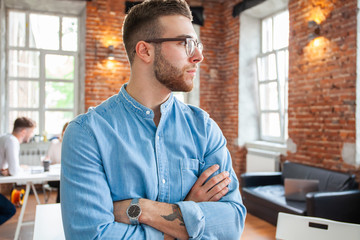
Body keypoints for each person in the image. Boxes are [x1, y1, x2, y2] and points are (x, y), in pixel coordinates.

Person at [61, 0, 246, 239]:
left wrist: (142, 209)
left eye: (197, 44)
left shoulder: (204, 128)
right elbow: (92, 236)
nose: (198, 56)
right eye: (185, 43)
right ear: (145, 51)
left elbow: (231, 224)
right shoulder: (86, 134)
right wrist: (188, 214)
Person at [45, 122, 69, 203]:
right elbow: (47, 160)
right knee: (63, 183)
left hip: (67, 176)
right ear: (63, 132)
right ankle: (59, 208)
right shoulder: (54, 143)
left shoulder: (73, 145)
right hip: (54, 177)